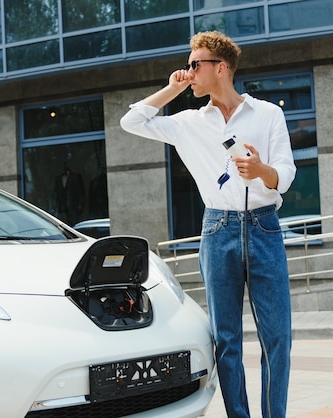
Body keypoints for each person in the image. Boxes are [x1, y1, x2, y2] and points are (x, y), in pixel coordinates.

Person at [120, 31, 296, 418]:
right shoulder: (187, 122)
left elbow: (285, 173)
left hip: (265, 228)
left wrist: (260, 168)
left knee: (277, 338)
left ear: (221, 68)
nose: (188, 71)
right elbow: (131, 121)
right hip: (218, 232)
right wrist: (171, 89)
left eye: (194, 64)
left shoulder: (268, 114)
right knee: (227, 340)